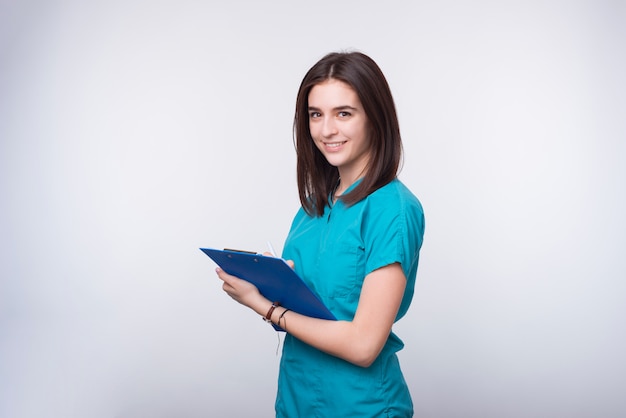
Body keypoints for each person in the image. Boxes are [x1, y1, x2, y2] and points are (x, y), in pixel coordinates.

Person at [216, 51, 425, 417]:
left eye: (344, 113)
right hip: (297, 401)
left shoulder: (393, 209)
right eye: (316, 114)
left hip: (361, 407)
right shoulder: (312, 208)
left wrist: (264, 305)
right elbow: (321, 308)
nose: (326, 130)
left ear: (375, 118)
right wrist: (274, 281)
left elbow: (363, 345)